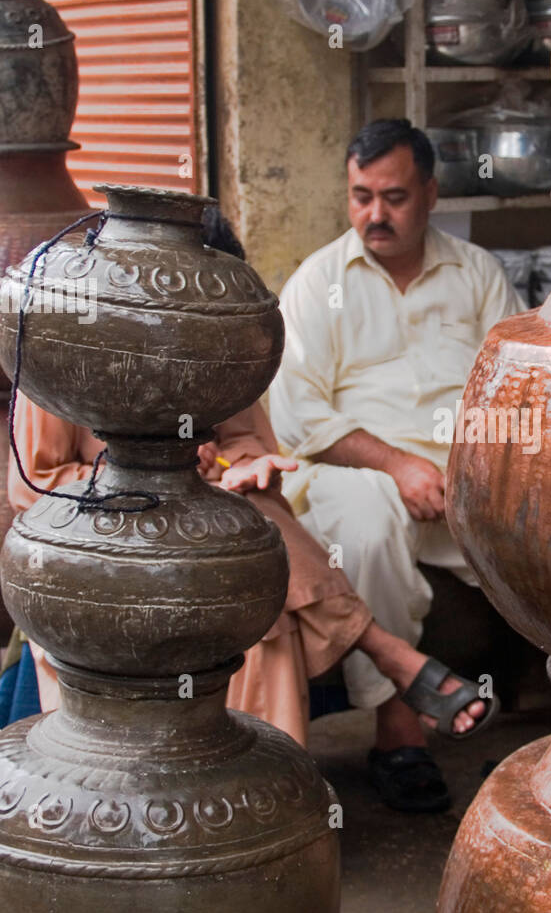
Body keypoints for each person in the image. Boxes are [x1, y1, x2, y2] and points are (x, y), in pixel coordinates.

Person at [6, 205, 492, 811]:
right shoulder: (70, 342)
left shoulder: (215, 348)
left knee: (259, 593)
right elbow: (36, 484)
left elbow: (250, 445)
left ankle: (260, 802)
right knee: (259, 556)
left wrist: (237, 468)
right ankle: (385, 655)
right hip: (106, 545)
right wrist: (153, 477)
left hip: (207, 530)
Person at [269, 118, 525, 810]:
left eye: (393, 197)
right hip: (353, 475)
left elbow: (517, 383)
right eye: (360, 196)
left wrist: (477, 469)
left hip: (465, 483)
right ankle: (399, 730)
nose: (374, 215)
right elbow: (298, 419)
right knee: (369, 523)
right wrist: (396, 465)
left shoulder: (477, 276)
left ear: (432, 194)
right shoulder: (318, 282)